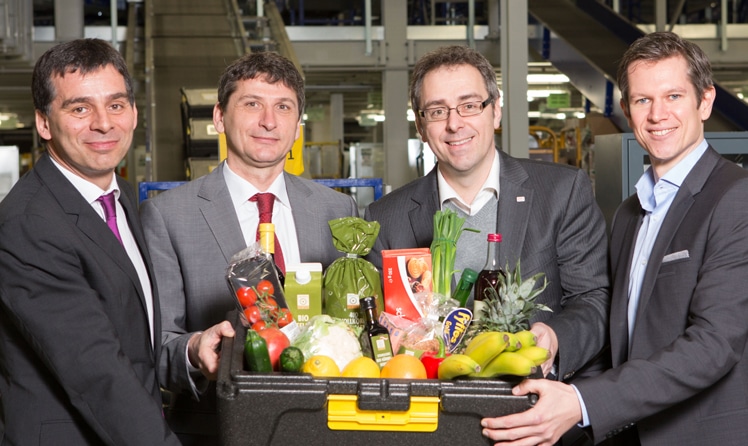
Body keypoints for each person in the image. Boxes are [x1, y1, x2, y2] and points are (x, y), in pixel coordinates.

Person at [482, 31, 748, 446]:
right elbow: (623, 340)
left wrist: (583, 402)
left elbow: (713, 344)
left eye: (674, 96)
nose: (658, 114)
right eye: (643, 100)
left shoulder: (735, 197)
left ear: (706, 101)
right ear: (626, 110)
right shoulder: (629, 213)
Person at [0, 38, 231, 445]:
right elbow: (94, 369)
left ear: (134, 113)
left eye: (116, 104)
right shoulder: (29, 224)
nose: (103, 123)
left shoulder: (119, 196)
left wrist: (192, 347)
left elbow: (129, 333)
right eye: (79, 108)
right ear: (43, 123)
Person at [140, 51, 358, 445]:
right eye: (252, 103)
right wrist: (193, 350)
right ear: (219, 118)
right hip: (218, 428)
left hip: (324, 427)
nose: (268, 121)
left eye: (283, 107)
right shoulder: (167, 216)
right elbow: (154, 345)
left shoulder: (338, 210)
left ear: (297, 126)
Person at [365, 45, 610, 386]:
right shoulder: (385, 218)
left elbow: (592, 299)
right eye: (437, 111)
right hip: (430, 411)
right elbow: (375, 323)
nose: (454, 124)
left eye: (469, 106)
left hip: (535, 403)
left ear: (495, 112)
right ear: (421, 127)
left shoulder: (562, 192)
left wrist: (553, 339)